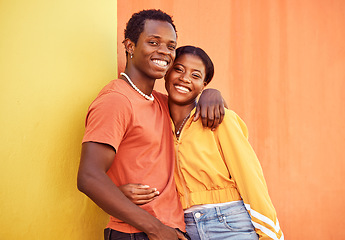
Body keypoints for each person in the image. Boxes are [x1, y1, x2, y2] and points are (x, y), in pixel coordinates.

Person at [77, 10, 226, 240]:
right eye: (153, 42)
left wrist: (212, 94)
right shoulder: (117, 100)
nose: (164, 52)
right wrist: (156, 229)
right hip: (138, 233)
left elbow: (194, 104)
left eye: (170, 46)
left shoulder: (161, 102)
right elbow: (89, 176)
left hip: (169, 230)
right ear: (130, 46)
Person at [120, 46, 284, 240]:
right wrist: (117, 192)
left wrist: (270, 234)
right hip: (185, 227)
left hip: (230, 224)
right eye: (179, 69)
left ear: (203, 84)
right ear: (167, 73)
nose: (185, 78)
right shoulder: (155, 119)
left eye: (195, 75)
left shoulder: (220, 120)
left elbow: (251, 178)